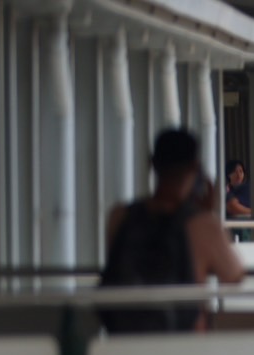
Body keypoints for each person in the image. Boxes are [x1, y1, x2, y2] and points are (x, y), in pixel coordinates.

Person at [101, 127, 244, 334]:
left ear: (152, 164)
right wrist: (207, 215)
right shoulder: (202, 225)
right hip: (182, 348)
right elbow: (234, 275)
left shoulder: (120, 216)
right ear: (195, 168)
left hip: (126, 344)